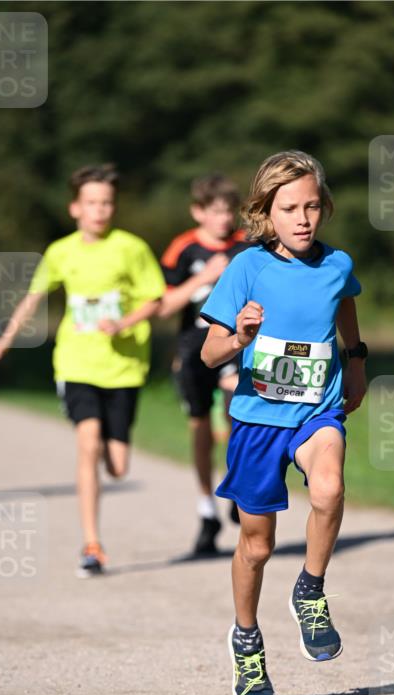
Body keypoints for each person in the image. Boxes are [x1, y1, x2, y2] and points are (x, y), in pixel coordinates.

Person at [200, 151, 367, 695]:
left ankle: (311, 591)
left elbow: (343, 305)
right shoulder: (247, 268)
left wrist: (358, 360)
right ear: (266, 212)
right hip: (256, 420)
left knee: (329, 489)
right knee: (257, 544)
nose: (303, 219)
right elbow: (208, 352)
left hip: (316, 412)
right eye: (289, 208)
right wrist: (240, 337)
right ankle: (246, 639)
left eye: (312, 206)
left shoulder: (337, 263)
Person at [0, 164, 165, 576]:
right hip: (76, 363)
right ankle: (92, 544)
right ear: (75, 209)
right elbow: (33, 299)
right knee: (87, 443)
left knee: (117, 467)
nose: (100, 210)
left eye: (106, 203)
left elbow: (154, 299)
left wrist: (123, 323)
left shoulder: (130, 248)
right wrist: (5, 339)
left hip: (124, 368)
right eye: (92, 203)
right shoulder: (60, 252)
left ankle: (107, 449)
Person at [159, 174, 247, 554]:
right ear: (199, 212)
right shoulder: (182, 249)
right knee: (199, 425)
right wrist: (207, 276)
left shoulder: (246, 247)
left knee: (237, 416)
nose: (224, 220)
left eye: (229, 212)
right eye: (215, 212)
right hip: (192, 349)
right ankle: (207, 510)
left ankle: (238, 490)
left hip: (234, 348)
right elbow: (163, 306)